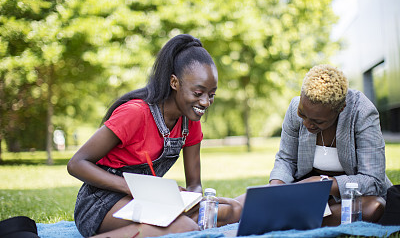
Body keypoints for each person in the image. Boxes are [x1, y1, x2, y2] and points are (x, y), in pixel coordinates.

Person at [67, 34, 242, 237]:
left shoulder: (190, 121)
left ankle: (164, 227)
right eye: (198, 93)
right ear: (174, 82)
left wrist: (190, 202)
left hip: (149, 201)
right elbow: (76, 163)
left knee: (231, 210)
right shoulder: (135, 113)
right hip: (102, 203)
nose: (205, 102)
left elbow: (194, 183)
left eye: (211, 94)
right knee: (185, 228)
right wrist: (133, 188)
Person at [267, 64, 392, 226]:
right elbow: (286, 160)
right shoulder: (294, 107)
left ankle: (293, 218)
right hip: (304, 191)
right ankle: (304, 217)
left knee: (373, 207)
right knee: (246, 204)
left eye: (318, 121)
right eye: (302, 114)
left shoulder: (362, 112)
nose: (306, 124)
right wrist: (276, 188)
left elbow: (373, 180)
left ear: (341, 109)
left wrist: (322, 183)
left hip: (352, 196)